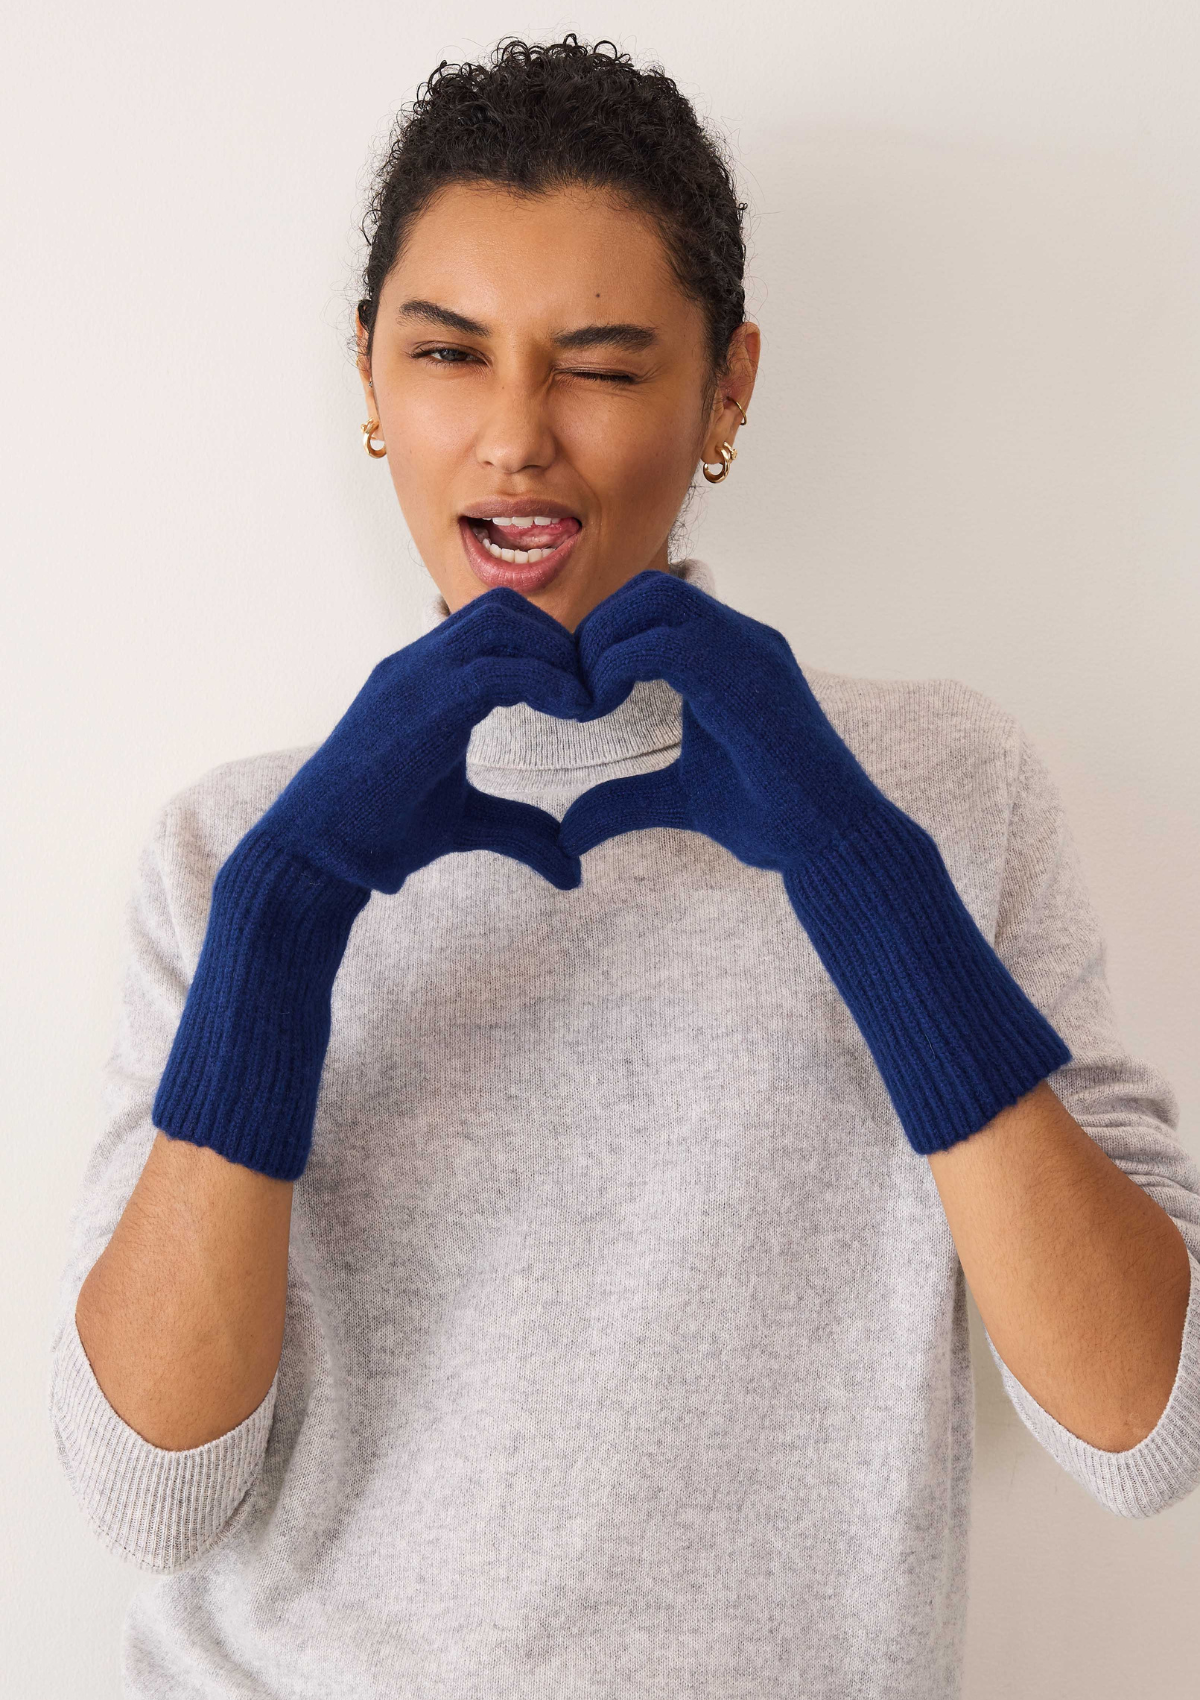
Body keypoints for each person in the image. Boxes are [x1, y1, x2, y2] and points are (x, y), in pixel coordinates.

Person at [50, 35, 1200, 1700]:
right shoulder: (233, 843)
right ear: (369, 376)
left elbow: (1139, 1435)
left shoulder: (942, 790)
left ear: (724, 387)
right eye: (449, 352)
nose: (517, 439)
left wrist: (866, 880)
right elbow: (147, 1496)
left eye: (599, 363)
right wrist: (285, 920)